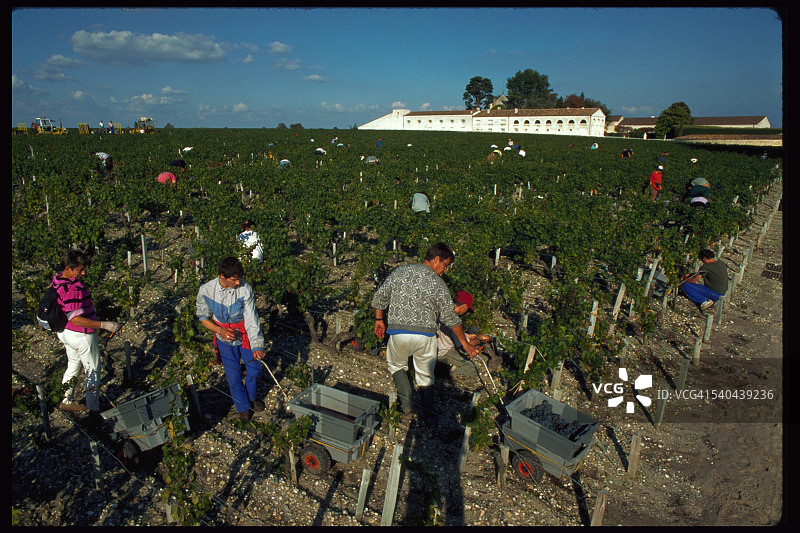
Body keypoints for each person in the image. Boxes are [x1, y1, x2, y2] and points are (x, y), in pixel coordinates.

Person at [372, 243, 479, 428]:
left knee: (396, 365)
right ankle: (429, 417)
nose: (445, 270)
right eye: (445, 265)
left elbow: (380, 298)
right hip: (426, 336)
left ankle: (408, 409)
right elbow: (450, 317)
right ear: (436, 259)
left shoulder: (399, 272)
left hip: (398, 333)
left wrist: (379, 319)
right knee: (425, 377)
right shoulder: (438, 284)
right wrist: (465, 344)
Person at [196, 257, 268, 421]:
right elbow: (203, 317)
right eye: (234, 280)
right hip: (224, 337)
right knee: (233, 375)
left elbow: (251, 319)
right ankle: (242, 406)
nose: (238, 283)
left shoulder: (245, 289)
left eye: (239, 279)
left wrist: (257, 345)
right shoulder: (206, 291)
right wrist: (220, 330)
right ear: (222, 276)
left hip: (244, 334)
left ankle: (250, 398)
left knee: (255, 368)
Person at [51, 250, 120, 416]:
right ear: (68, 268)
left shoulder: (57, 280)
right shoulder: (72, 289)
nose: (83, 273)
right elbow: (76, 319)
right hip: (80, 335)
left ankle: (66, 400)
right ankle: (93, 409)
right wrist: (105, 325)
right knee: (92, 370)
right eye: (80, 270)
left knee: (73, 364)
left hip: (65, 332)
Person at [436, 291, 494, 380]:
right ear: (464, 306)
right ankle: (443, 370)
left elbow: (448, 333)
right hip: (442, 352)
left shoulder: (443, 311)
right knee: (474, 369)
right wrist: (480, 338)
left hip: (431, 348)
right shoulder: (455, 320)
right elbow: (467, 344)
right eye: (468, 308)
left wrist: (466, 335)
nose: (467, 311)